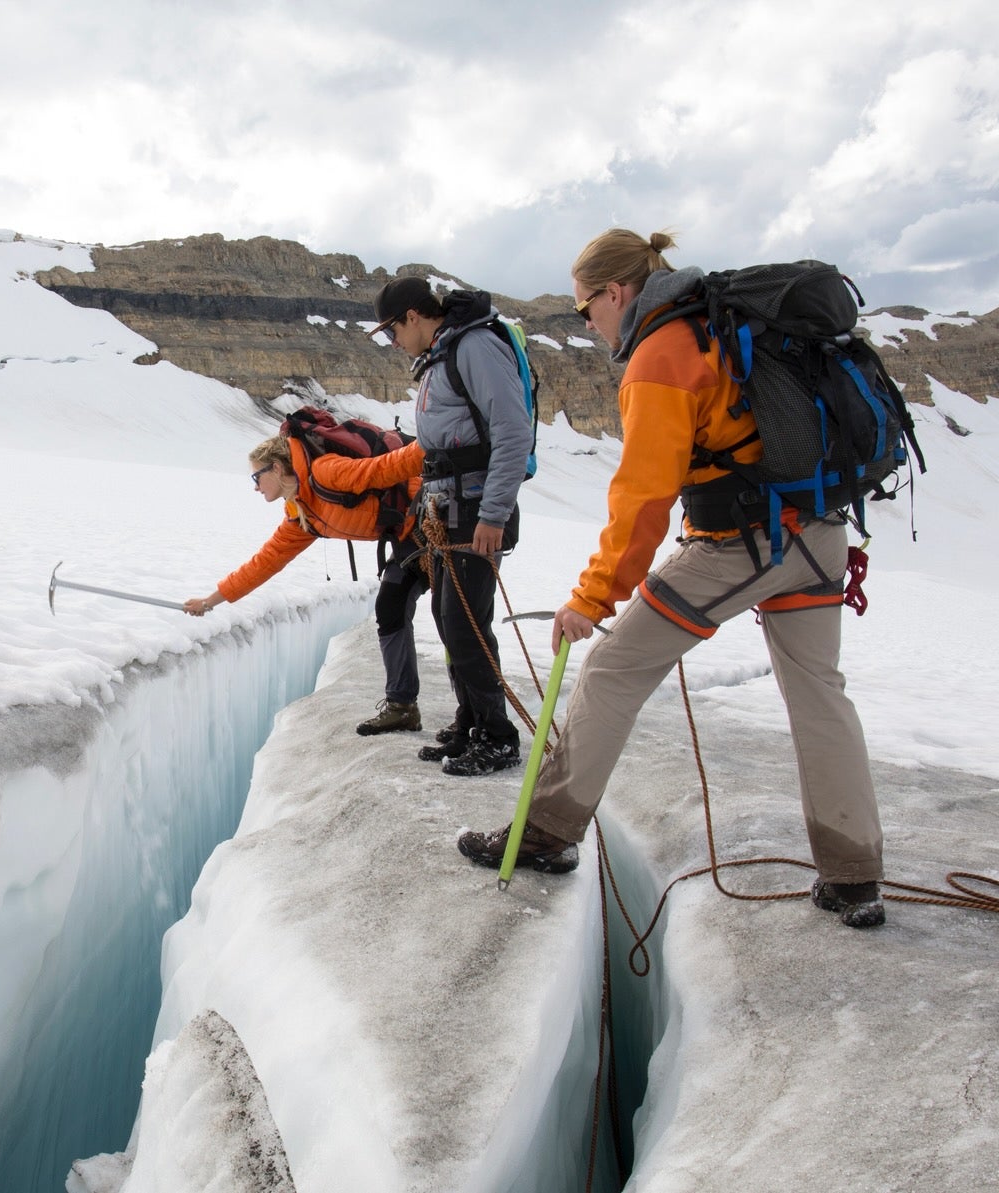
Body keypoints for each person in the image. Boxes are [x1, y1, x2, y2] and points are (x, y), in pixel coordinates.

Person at [457, 229, 888, 929]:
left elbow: (642, 500)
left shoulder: (660, 353)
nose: (587, 324)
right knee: (818, 694)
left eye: (583, 309)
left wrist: (591, 598)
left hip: (745, 542)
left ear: (614, 293)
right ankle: (854, 876)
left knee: (610, 670)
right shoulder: (713, 326)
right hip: (819, 533)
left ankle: (544, 835)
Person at [370, 277, 534, 776]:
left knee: (466, 624)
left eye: (392, 331)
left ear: (413, 317)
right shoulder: (443, 355)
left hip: (475, 509)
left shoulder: (475, 347)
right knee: (450, 619)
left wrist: (494, 515)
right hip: (448, 509)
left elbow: (512, 431)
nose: (393, 342)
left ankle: (497, 736)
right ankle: (471, 723)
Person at [184, 432, 430, 736]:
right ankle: (403, 707)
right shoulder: (304, 514)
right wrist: (210, 601)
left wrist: (437, 438)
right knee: (391, 607)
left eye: (257, 478)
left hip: (434, 517)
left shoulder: (327, 473)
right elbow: (265, 562)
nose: (255, 488)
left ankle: (476, 717)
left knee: (454, 619)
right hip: (411, 536)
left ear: (276, 467)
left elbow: (385, 468)